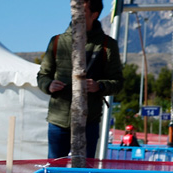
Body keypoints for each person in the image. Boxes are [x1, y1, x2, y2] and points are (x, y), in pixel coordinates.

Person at [36, 0, 123, 160]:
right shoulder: (57, 41)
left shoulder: (107, 45)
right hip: (58, 121)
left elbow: (118, 82)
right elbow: (42, 76)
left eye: (81, 12)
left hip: (89, 121)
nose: (75, 16)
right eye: (74, 11)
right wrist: (49, 85)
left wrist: (100, 86)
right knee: (55, 170)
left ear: (94, 15)